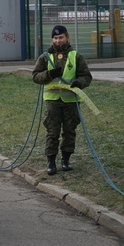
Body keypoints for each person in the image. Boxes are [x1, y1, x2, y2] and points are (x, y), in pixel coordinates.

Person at [32, 25, 92, 175]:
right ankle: (51, 162)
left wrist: (79, 83)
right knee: (52, 132)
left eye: (61, 37)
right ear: (52, 39)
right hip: (52, 101)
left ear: (67, 38)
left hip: (71, 101)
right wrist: (49, 74)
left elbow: (86, 76)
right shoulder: (45, 57)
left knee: (69, 131)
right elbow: (35, 76)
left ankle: (66, 160)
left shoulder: (76, 56)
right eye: (55, 38)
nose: (58, 41)